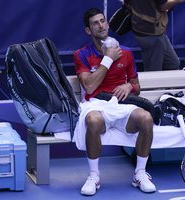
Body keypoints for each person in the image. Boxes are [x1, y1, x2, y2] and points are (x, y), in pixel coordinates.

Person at [73, 8, 156, 196]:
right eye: (95, 23)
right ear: (88, 30)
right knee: (93, 120)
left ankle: (140, 174)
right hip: (96, 104)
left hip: (121, 106)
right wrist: (108, 58)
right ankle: (94, 176)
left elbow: (136, 85)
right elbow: (89, 87)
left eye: (103, 21)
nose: (101, 25)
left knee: (146, 118)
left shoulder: (126, 53)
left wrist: (128, 87)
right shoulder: (82, 54)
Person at [129, 0, 185, 71]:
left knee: (173, 64)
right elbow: (164, 6)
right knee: (153, 70)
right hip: (151, 32)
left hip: (141, 26)